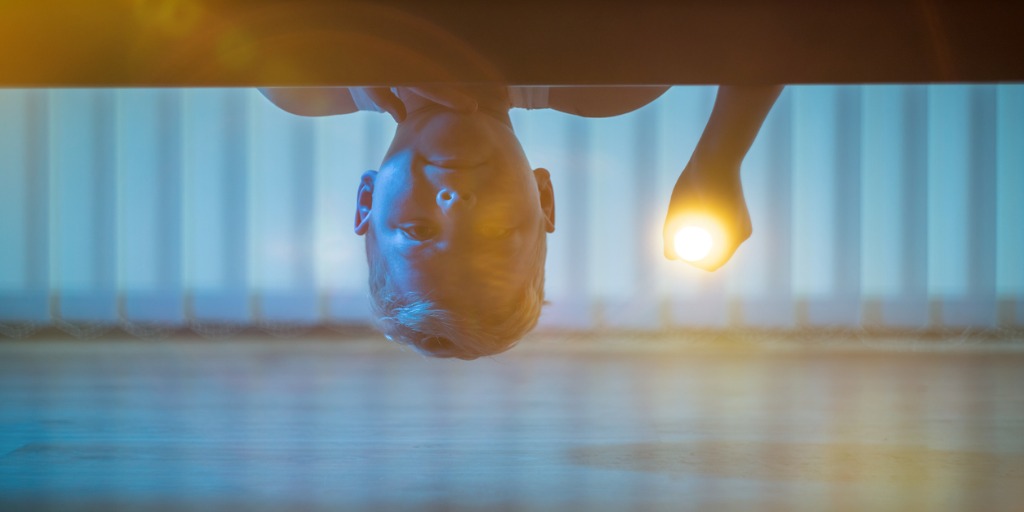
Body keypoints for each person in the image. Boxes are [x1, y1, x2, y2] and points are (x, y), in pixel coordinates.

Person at [260, 84, 782, 359]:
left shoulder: (301, 78)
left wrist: (365, 43)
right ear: (544, 197)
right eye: (492, 233)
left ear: (366, 201)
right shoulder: (607, 79)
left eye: (420, 232)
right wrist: (718, 161)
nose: (457, 201)